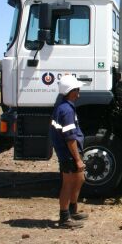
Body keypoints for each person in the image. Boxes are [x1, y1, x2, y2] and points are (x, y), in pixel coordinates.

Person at [49, 75, 88, 228]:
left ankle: (73, 210)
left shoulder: (64, 106)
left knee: (80, 179)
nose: (79, 92)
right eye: (77, 89)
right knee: (68, 184)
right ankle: (64, 217)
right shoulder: (66, 111)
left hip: (69, 152)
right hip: (69, 154)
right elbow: (69, 138)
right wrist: (77, 159)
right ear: (71, 91)